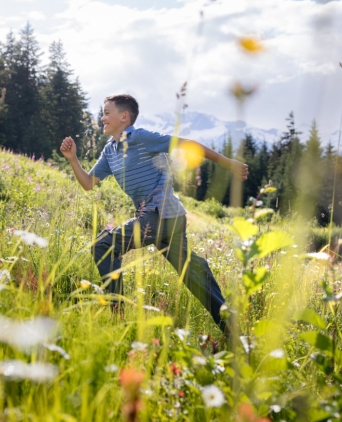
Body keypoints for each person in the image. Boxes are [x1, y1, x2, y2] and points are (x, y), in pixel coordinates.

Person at [59, 94, 248, 334]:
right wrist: (73, 159)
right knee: (193, 274)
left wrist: (228, 163)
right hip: (167, 218)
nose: (102, 117)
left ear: (124, 117)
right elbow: (88, 183)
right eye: (103, 112)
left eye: (107, 112)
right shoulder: (110, 151)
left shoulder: (140, 138)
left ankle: (117, 321)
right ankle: (234, 333)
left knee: (104, 245)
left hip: (160, 215)